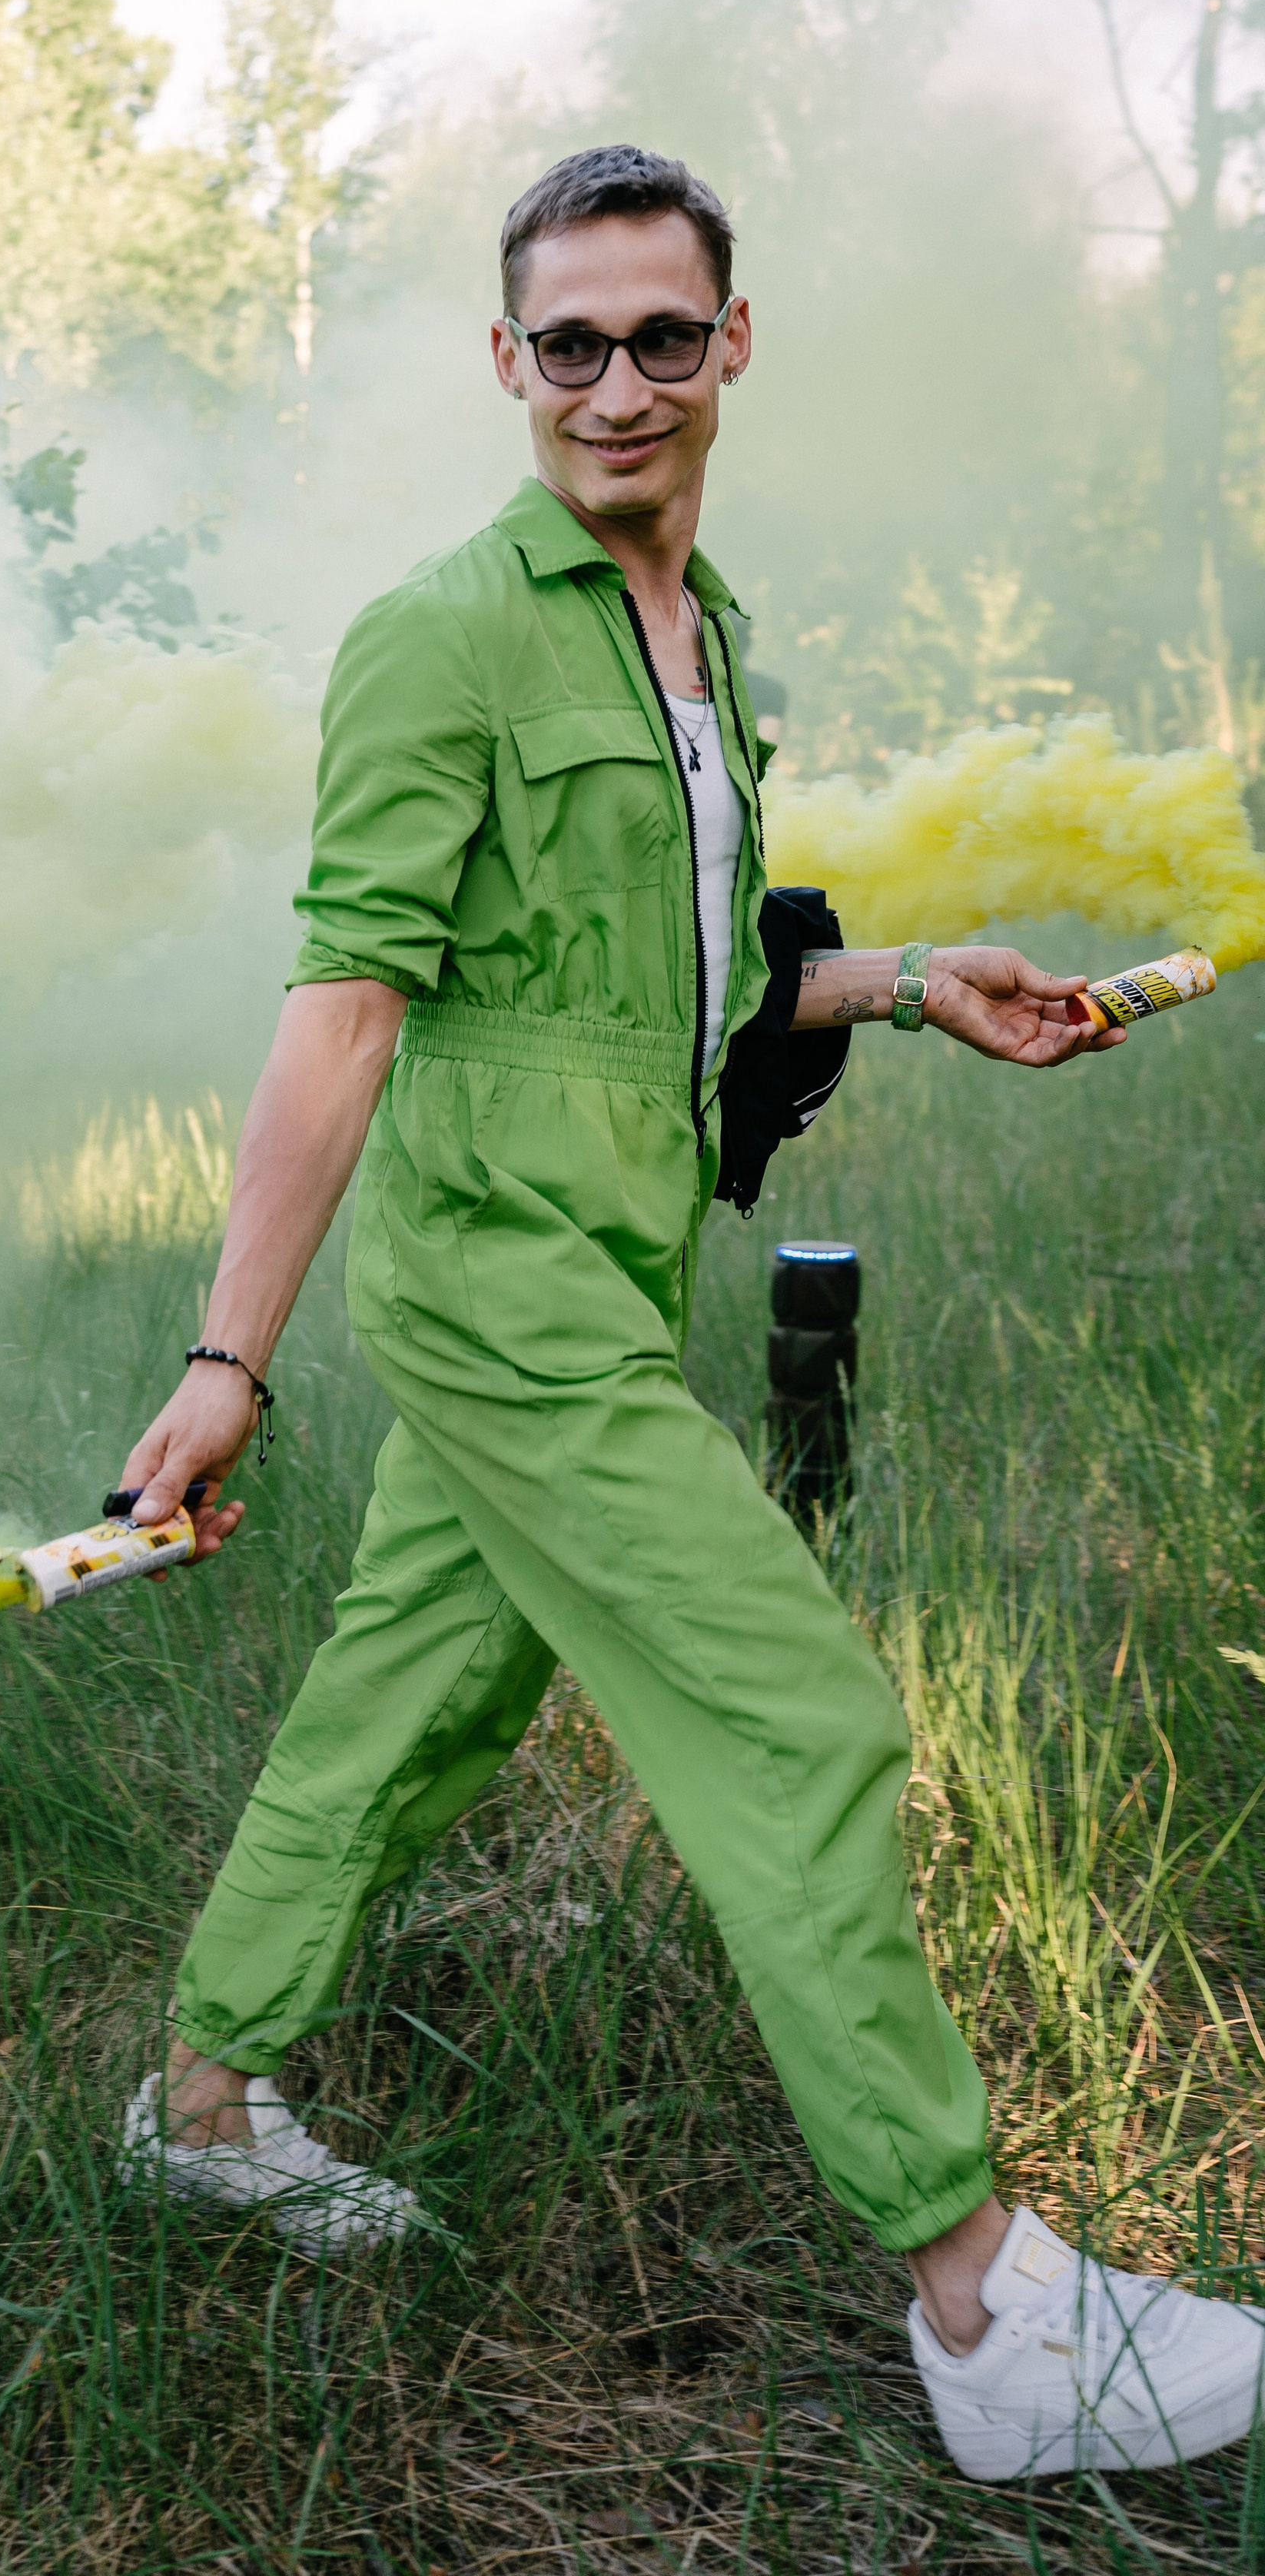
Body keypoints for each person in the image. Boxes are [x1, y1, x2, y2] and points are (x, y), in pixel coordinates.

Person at [113, 145, 1265, 2482]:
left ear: (733, 347)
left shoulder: (706, 635)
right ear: (507, 360)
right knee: (800, 1714)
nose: (616, 385)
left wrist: (921, 985)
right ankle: (978, 2299)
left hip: (615, 1266)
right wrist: (231, 1362)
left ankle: (204, 2102)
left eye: (662, 336)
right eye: (570, 342)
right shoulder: (444, 636)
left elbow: (705, 984)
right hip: (502, 1296)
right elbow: (344, 1012)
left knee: (408, 1707)